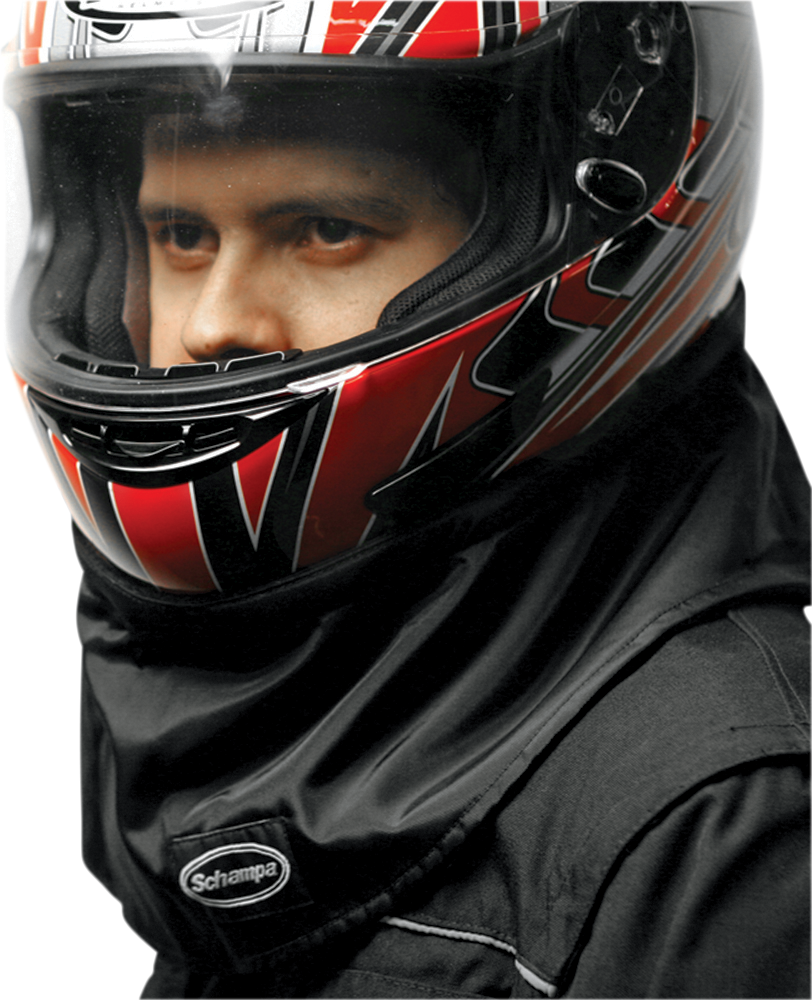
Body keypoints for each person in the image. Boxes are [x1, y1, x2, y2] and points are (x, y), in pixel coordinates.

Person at [2, 1, 811, 998]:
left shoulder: (726, 839)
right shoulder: (295, 685)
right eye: (178, 233)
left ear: (596, 218)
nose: (213, 324)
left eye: (326, 229)